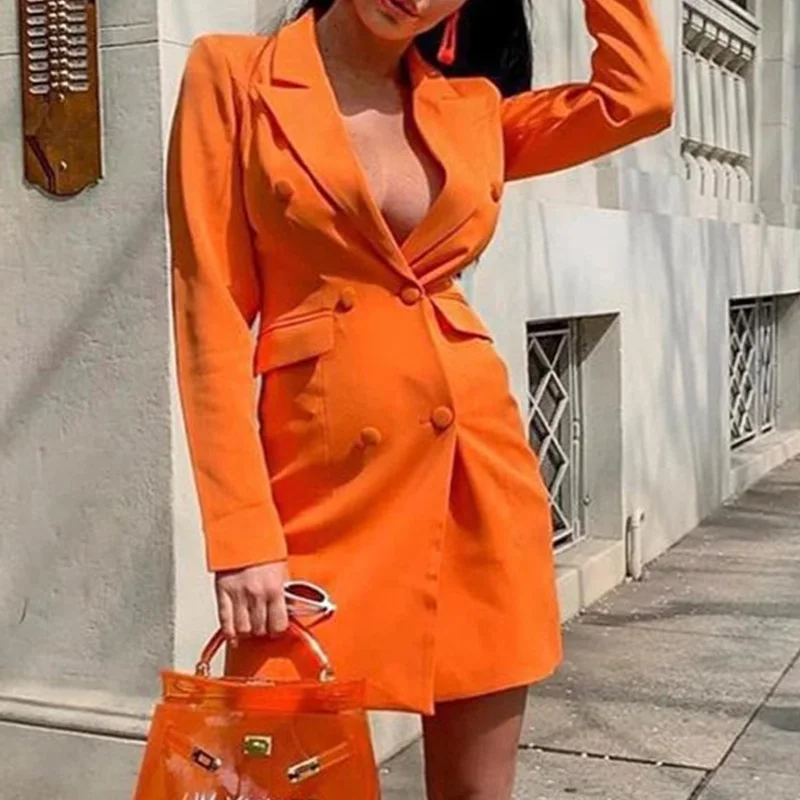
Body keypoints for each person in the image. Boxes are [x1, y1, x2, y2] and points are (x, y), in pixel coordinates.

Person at [167, 0, 672, 796]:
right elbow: (211, 313)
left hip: (474, 475)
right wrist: (242, 537)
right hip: (315, 490)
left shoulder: (471, 107)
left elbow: (638, 99)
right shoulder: (233, 75)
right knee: (279, 781)